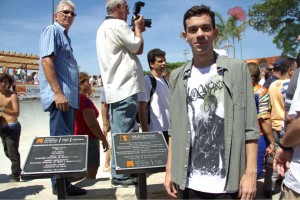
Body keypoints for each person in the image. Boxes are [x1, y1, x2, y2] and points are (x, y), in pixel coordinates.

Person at [164, 5, 259, 199]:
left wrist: (250, 174)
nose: (200, 34)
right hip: (189, 182)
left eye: (205, 28)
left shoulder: (237, 70)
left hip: (228, 184)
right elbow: (175, 129)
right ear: (185, 36)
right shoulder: (177, 77)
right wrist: (169, 170)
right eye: (193, 30)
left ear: (215, 32)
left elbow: (250, 127)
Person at [96, 0, 146, 187]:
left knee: (119, 133)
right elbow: (138, 48)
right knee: (124, 134)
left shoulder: (103, 27)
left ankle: (120, 173)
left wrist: (134, 31)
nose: (127, 10)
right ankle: (121, 176)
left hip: (115, 89)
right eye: (125, 7)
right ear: (118, 8)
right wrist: (138, 29)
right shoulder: (118, 25)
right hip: (125, 88)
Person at [38, 0, 86, 196]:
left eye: (72, 13)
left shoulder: (64, 36)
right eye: (65, 12)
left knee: (66, 143)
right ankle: (60, 187)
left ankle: (64, 184)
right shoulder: (52, 30)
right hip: (61, 99)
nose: (68, 16)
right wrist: (58, 92)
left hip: (67, 99)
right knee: (59, 145)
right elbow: (46, 60)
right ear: (56, 15)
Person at [264, 57, 297, 197]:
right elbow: (291, 113)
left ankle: (268, 186)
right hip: (286, 128)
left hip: (273, 124)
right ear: (290, 71)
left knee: (273, 159)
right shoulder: (290, 85)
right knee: (286, 159)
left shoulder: (272, 84)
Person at [74, 72, 109, 179]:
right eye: (88, 82)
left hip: (78, 138)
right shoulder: (84, 100)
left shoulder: (75, 99)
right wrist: (103, 139)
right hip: (89, 139)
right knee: (91, 171)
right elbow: (92, 124)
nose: (90, 85)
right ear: (81, 84)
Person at [247, 62, 275, 179]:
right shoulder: (261, 92)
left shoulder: (236, 90)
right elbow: (264, 119)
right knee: (255, 169)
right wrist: (272, 141)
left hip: (237, 134)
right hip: (257, 135)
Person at [138, 48, 169, 144]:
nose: (163, 63)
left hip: (168, 129)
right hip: (155, 131)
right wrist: (145, 132)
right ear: (151, 64)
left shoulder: (164, 80)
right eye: (160, 61)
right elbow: (141, 107)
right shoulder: (147, 80)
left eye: (164, 60)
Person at [0, 74, 21, 182]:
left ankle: (15, 176)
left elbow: (16, 113)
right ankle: (17, 169)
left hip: (12, 127)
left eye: (6, 82)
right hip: (2, 127)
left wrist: (2, 110)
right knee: (7, 152)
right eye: (1, 81)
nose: (3, 84)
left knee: (12, 152)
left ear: (9, 83)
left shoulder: (12, 96)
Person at [100, 89, 112, 172]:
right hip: (111, 120)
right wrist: (105, 124)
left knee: (109, 142)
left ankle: (107, 164)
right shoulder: (106, 87)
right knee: (109, 142)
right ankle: (107, 164)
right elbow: (104, 105)